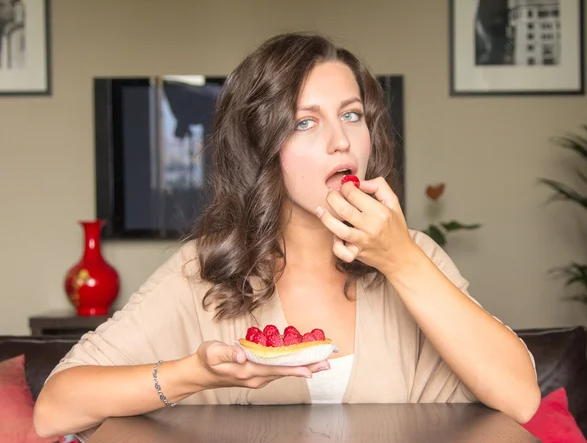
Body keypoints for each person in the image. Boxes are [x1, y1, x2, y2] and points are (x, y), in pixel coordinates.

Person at [33, 32, 540, 439]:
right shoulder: (205, 270)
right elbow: (54, 410)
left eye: (351, 114)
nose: (341, 140)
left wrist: (401, 259)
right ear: (261, 146)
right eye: (304, 122)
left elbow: (521, 400)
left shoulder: (416, 255)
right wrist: (197, 374)